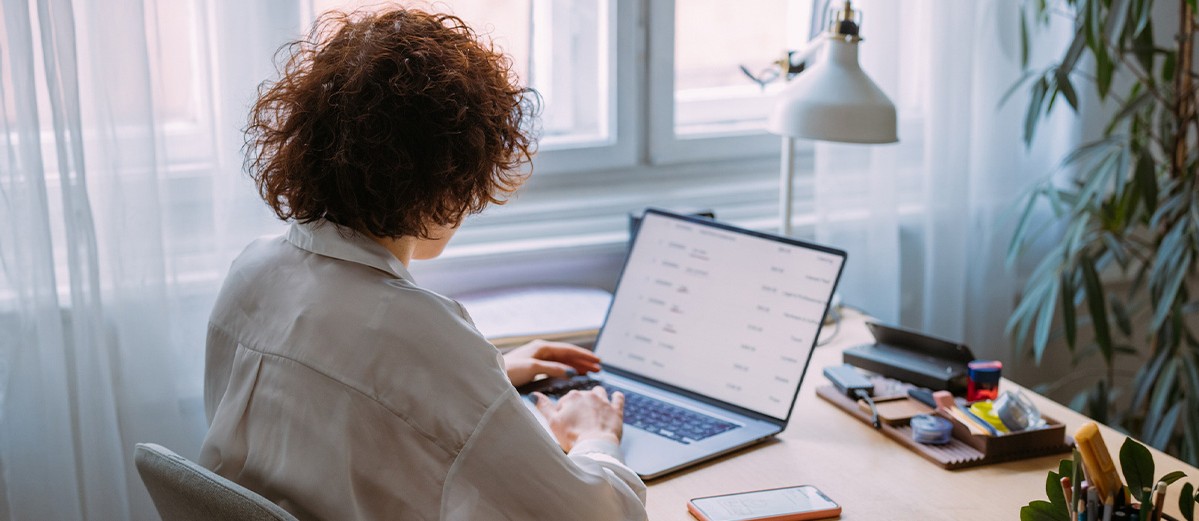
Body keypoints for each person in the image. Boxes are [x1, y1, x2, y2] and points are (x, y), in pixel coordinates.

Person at [199, 7, 648, 520]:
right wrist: (594, 436)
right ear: (453, 173)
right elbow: (598, 517)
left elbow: (330, 399)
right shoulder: (418, 332)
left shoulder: (252, 272)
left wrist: (487, 384)